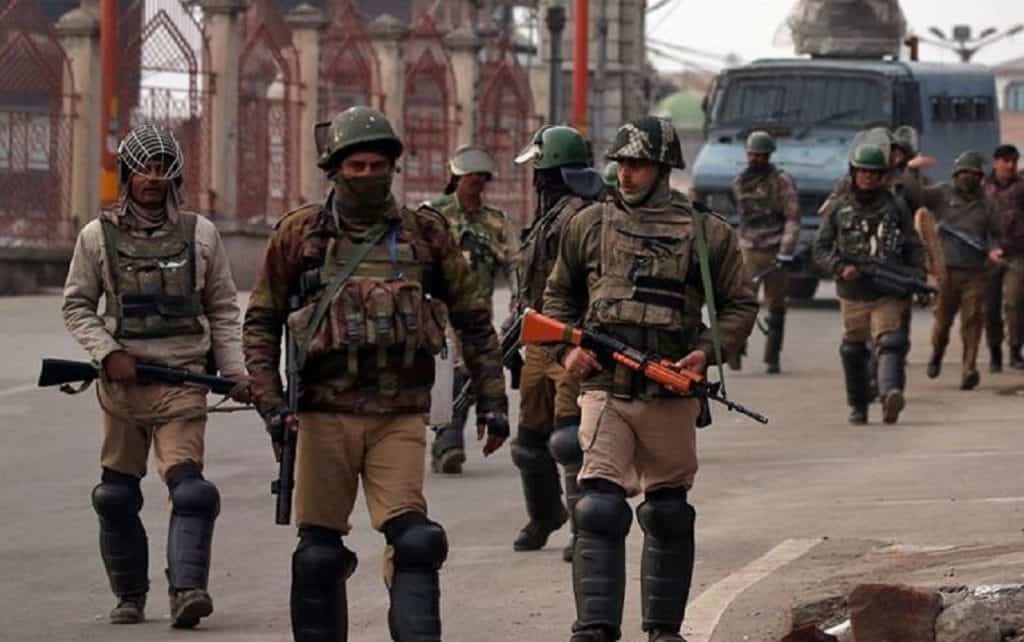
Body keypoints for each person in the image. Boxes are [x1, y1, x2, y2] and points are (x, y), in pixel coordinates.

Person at [242, 106, 509, 642]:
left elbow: (474, 320)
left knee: (416, 542)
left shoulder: (424, 234)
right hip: (323, 413)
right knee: (317, 555)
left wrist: (492, 400)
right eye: (356, 166)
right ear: (335, 169)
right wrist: (272, 405)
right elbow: (261, 323)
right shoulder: (300, 235)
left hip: (398, 414)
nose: (367, 175)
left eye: (377, 165)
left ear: (393, 167)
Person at [543, 116, 758, 642]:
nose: (625, 174)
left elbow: (738, 304)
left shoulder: (705, 232)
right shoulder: (588, 225)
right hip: (605, 388)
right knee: (598, 505)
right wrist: (568, 349)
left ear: (663, 169)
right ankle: (595, 627)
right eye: (620, 163)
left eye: (637, 164)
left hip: (669, 390)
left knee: (668, 512)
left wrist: (705, 352)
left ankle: (663, 630)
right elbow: (557, 299)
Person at [61, 124, 248, 627]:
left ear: (175, 177)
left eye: (162, 168)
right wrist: (108, 353)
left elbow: (223, 308)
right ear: (126, 174)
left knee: (191, 491)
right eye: (143, 168)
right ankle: (130, 595)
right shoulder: (97, 236)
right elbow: (77, 305)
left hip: (183, 382)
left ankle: (187, 590)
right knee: (116, 495)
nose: (151, 178)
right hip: (122, 387)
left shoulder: (200, 234)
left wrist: (234, 370)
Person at [509, 125, 602, 560]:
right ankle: (545, 515)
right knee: (529, 440)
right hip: (539, 341)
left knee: (569, 438)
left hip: (571, 340)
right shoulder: (547, 217)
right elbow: (528, 283)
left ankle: (584, 528)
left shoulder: (584, 217)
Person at [814, 143, 926, 424]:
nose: (867, 178)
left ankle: (890, 394)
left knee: (891, 341)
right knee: (853, 349)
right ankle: (858, 405)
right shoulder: (839, 207)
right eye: (862, 172)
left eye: (874, 173)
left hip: (889, 289)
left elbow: (913, 244)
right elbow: (821, 249)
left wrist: (918, 274)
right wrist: (840, 267)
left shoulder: (896, 206)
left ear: (882, 176)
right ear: (853, 174)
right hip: (853, 292)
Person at [428, 144, 514, 475]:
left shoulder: (495, 222)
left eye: (482, 177)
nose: (476, 183)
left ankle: (447, 442)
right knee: (448, 371)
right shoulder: (433, 216)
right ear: (456, 178)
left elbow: (515, 263)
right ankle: (446, 440)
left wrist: (519, 297)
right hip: (437, 310)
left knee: (468, 372)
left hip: (476, 310)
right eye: (470, 177)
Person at [907, 151, 1005, 390]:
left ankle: (969, 368)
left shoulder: (987, 203)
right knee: (942, 323)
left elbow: (995, 233)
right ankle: (937, 353)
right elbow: (914, 196)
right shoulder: (941, 193)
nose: (969, 177)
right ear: (956, 173)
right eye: (965, 172)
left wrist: (995, 249)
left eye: (974, 173)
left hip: (975, 272)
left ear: (980, 177)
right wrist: (911, 170)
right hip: (945, 271)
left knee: (972, 321)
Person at [732, 130, 799, 373]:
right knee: (740, 304)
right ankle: (735, 351)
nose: (757, 159)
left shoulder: (781, 181)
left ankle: (772, 357)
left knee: (777, 306)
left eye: (761, 155)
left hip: (775, 250)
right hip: (748, 249)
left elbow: (792, 217)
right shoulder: (740, 181)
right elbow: (741, 218)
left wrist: (786, 250)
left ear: (769, 156)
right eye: (753, 155)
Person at [982, 144, 1024, 371]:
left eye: (1014, 161)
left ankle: (1015, 350)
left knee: (1015, 302)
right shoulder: (982, 188)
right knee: (990, 307)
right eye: (1006, 161)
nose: (1010, 165)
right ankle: (995, 352)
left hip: (1016, 254)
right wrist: (987, 247)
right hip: (989, 255)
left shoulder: (1021, 187)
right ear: (996, 162)